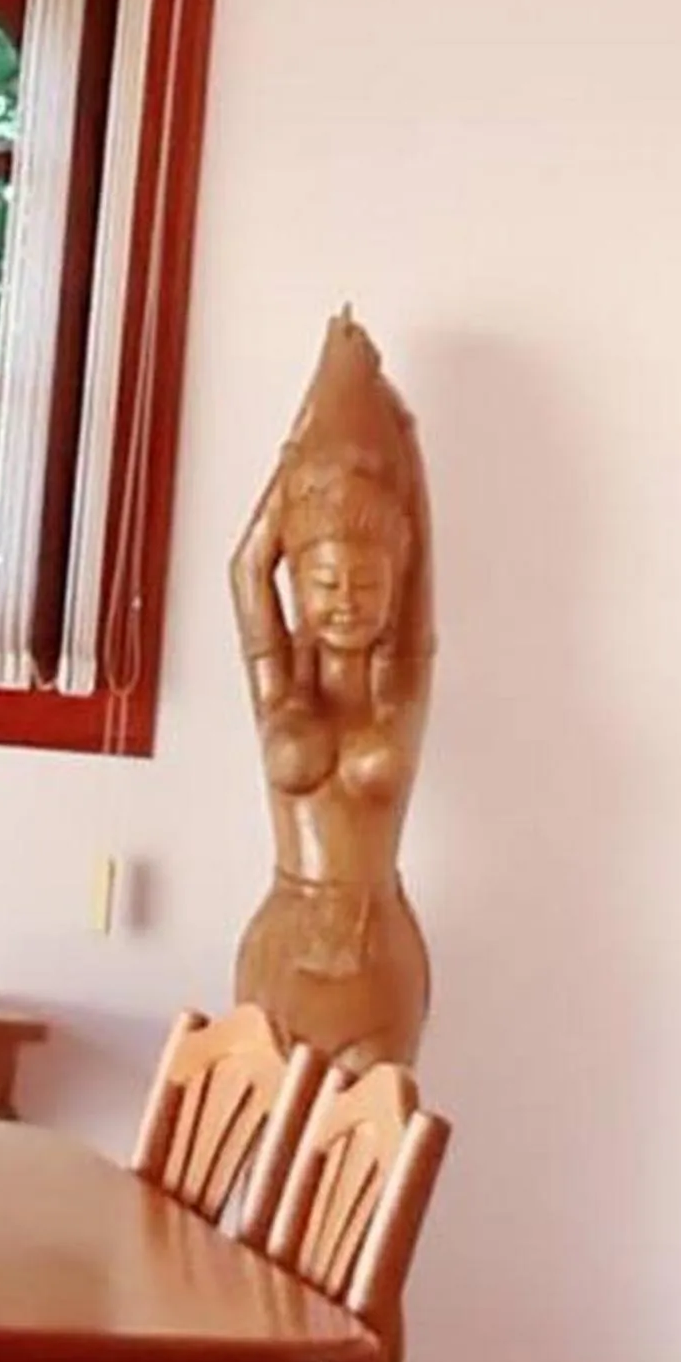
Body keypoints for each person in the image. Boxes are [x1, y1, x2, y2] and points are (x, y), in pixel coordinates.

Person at [229, 311, 433, 1070]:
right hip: (284, 946)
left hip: (378, 954)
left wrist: (407, 456)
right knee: (263, 1165)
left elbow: (419, 584)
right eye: (323, 581)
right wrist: (305, 458)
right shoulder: (277, 689)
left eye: (366, 581)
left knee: (371, 1166)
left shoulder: (402, 691)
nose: (345, 599)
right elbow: (247, 568)